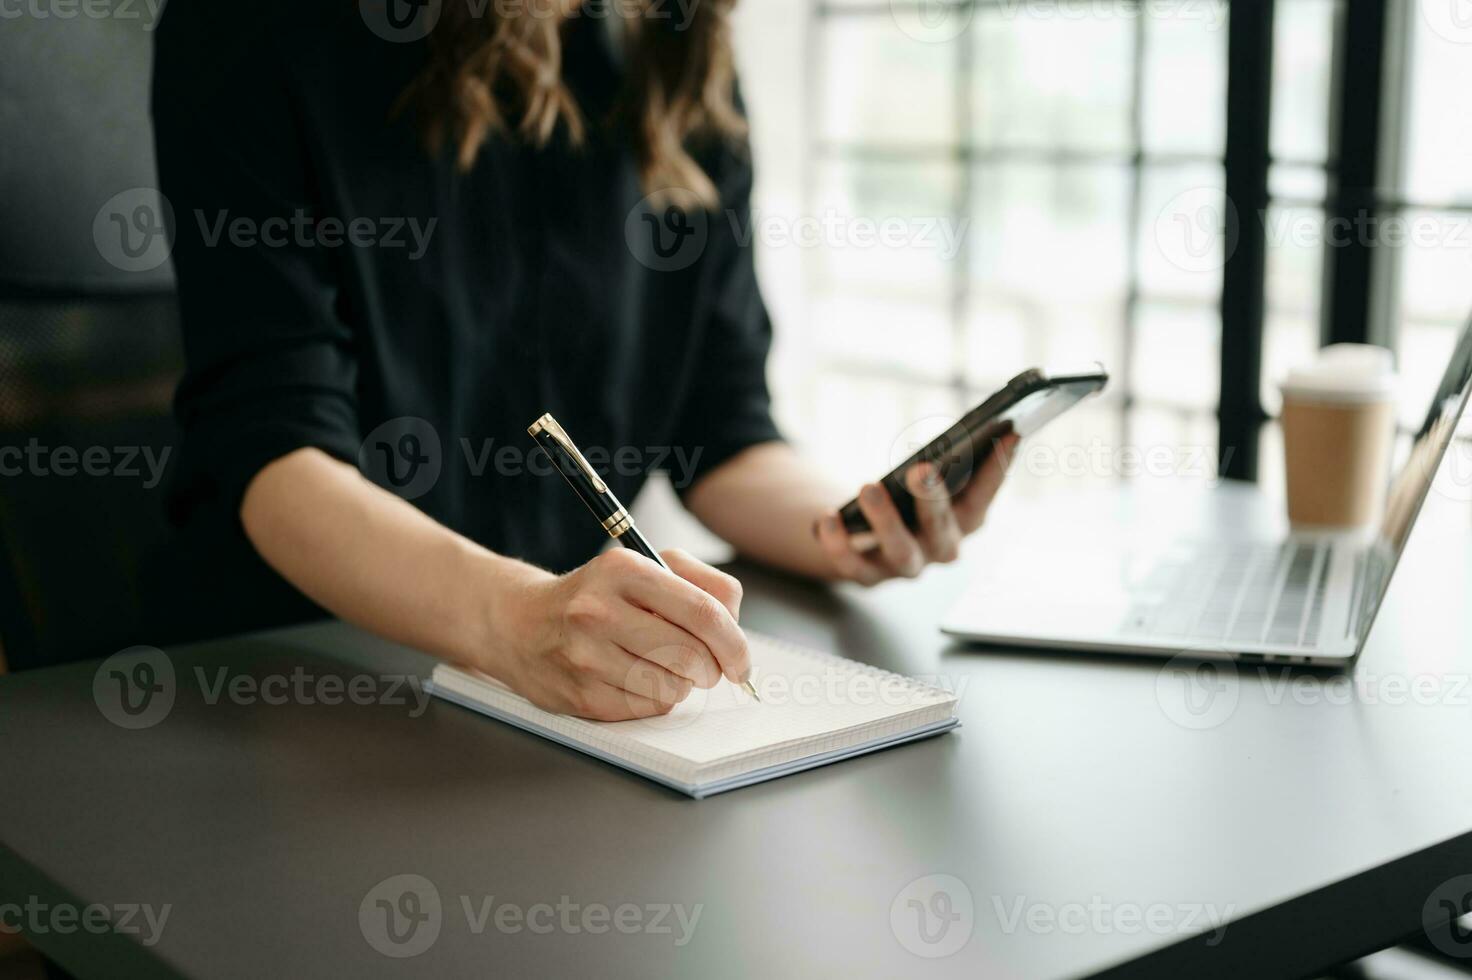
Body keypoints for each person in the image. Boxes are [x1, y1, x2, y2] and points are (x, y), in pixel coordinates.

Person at [147, 0, 1019, 721]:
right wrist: (512, 619)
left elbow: (720, 430)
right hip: (298, 687)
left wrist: (848, 528)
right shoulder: (256, 29)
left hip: (561, 698)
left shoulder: (675, 54)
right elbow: (270, 448)